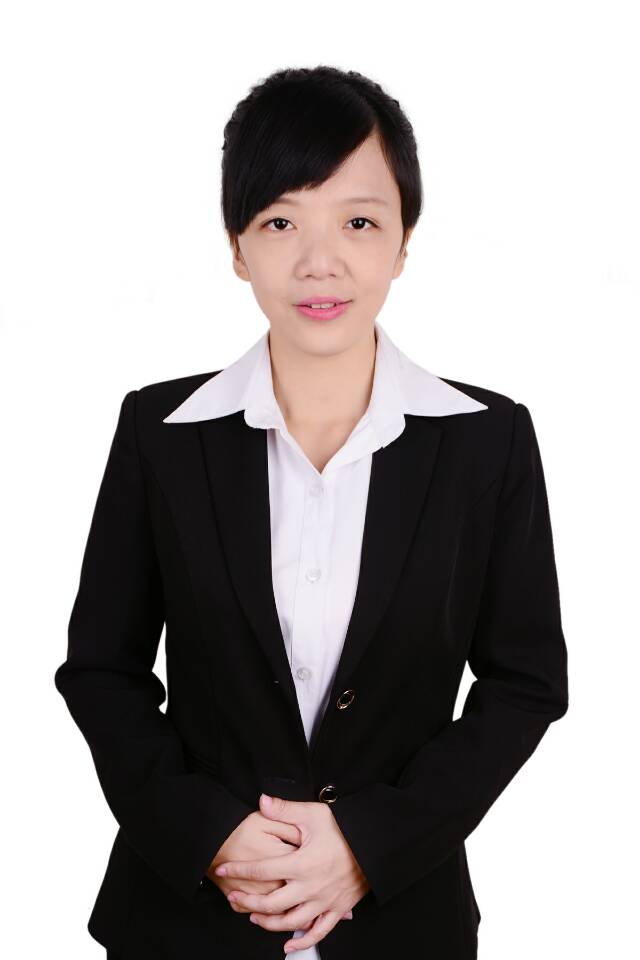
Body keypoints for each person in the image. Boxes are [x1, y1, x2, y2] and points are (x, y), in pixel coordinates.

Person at [54, 65, 569, 959]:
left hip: (402, 924)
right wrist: (207, 834)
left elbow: (525, 683)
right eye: (281, 222)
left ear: (403, 242)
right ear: (237, 246)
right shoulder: (160, 433)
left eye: (358, 222)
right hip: (182, 923)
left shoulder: (488, 442)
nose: (319, 262)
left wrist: (372, 845)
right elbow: (103, 671)